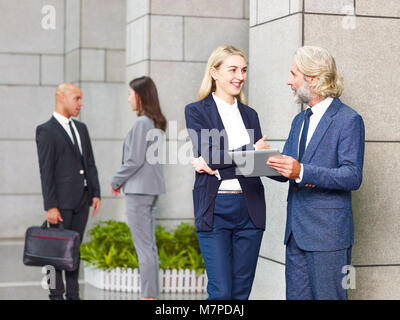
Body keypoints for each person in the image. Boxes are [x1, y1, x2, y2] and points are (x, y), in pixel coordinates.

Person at [266, 46, 365, 300]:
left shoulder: (348, 120)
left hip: (328, 236)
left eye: (293, 74)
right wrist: (261, 159)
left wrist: (303, 171)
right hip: (295, 235)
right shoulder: (299, 120)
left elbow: (352, 176)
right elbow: (289, 168)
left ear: (312, 78)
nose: (289, 81)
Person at [185, 45, 270, 300]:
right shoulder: (196, 111)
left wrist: (276, 161)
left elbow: (256, 163)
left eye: (243, 70)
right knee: (221, 293)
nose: (240, 76)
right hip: (216, 207)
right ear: (214, 72)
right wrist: (250, 151)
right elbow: (211, 155)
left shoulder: (250, 114)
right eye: (232, 69)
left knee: (241, 293)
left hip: (250, 208)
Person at [35, 82, 101, 300]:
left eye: (81, 99)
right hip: (60, 205)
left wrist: (95, 192)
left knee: (74, 251)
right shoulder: (46, 131)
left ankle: (73, 295)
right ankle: (55, 295)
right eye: (77, 98)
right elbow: (46, 171)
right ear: (62, 98)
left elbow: (89, 162)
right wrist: (50, 206)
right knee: (54, 254)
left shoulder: (81, 129)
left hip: (82, 202)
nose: (81, 104)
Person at [110, 76, 166, 300]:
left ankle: (148, 297)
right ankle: (150, 295)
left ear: (140, 97)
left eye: (130, 94)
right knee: (148, 246)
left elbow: (133, 160)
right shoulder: (154, 122)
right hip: (150, 190)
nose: (128, 99)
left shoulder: (142, 123)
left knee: (144, 247)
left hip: (139, 191)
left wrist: (115, 180)